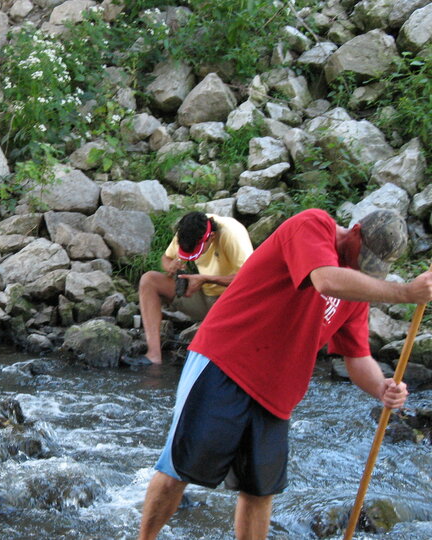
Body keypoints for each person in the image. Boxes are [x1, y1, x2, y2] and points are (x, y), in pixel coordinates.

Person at [138, 208, 432, 540]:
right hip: (225, 361)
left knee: (259, 491)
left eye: (374, 266)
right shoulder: (313, 225)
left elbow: (357, 356)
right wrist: (404, 293)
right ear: (355, 231)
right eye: (364, 256)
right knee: (179, 468)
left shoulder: (356, 288)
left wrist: (382, 388)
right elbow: (324, 279)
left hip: (276, 394)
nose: (364, 267)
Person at [138, 212, 253, 364]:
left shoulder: (232, 234)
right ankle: (153, 356)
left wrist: (206, 279)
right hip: (204, 297)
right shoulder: (187, 231)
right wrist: (170, 266)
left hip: (232, 305)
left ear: (211, 237)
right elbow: (166, 258)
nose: (192, 256)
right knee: (149, 280)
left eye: (195, 252)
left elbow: (250, 279)